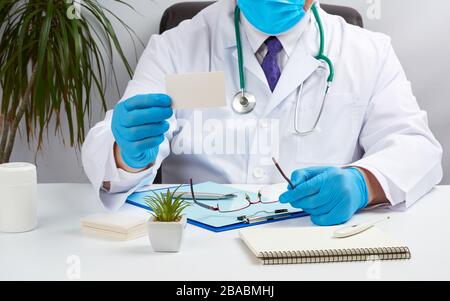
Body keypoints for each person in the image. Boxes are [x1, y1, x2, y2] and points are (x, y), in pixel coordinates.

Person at [82, 0, 442, 226]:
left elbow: (417, 148)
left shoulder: (368, 52)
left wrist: (363, 184)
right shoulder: (176, 47)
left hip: (317, 244)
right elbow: (108, 150)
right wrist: (125, 154)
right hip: (199, 253)